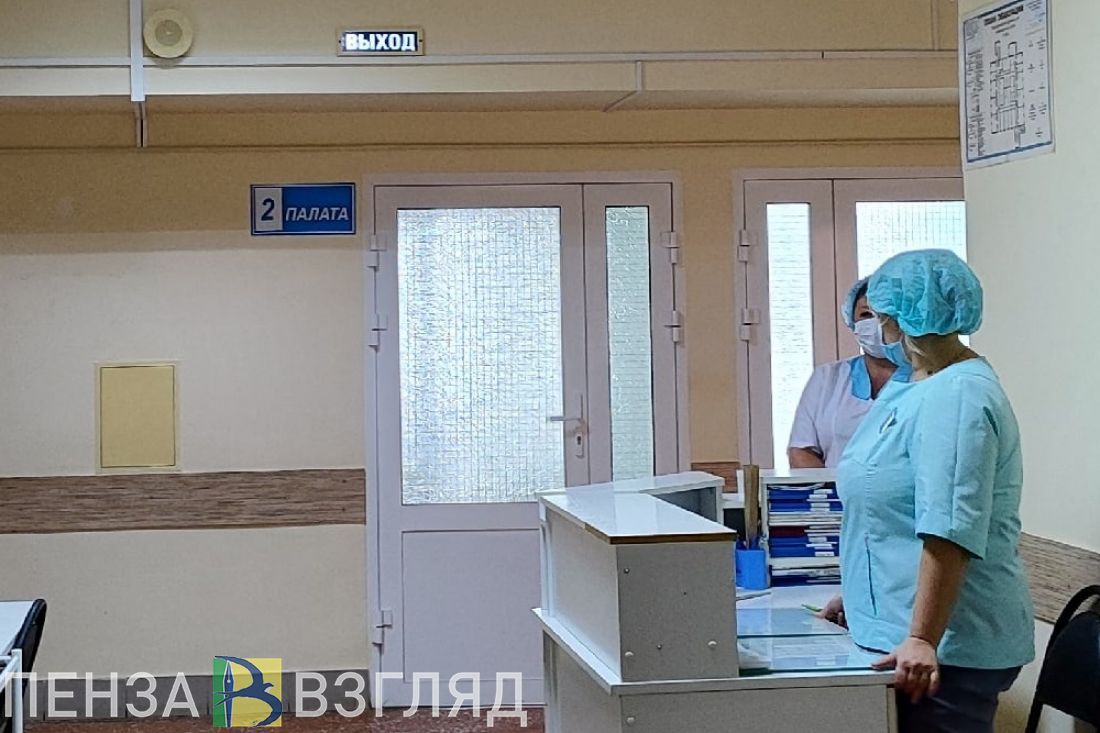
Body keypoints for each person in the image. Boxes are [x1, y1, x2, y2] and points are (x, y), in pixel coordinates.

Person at [821, 249, 1034, 733]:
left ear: (902, 318)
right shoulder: (913, 384)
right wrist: (861, 594)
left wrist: (921, 637)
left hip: (948, 647)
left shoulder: (959, 394)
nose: (872, 327)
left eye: (878, 315)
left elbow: (948, 528)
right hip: (904, 633)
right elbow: (884, 505)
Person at [787, 278, 911, 467]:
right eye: (866, 314)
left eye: (886, 315)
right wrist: (835, 485)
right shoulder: (827, 378)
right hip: (831, 486)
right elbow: (801, 450)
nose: (876, 323)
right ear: (852, 322)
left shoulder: (928, 379)